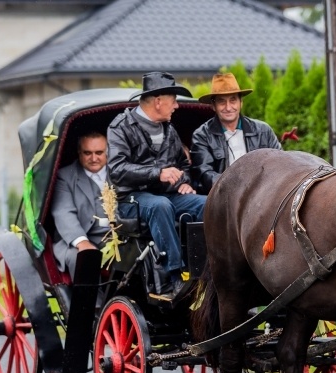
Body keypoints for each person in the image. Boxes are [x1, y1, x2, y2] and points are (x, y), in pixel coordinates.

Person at [107, 71, 206, 300]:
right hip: (130, 201)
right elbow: (117, 170)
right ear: (158, 102)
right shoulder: (120, 127)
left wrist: (184, 182)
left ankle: (209, 270)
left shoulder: (169, 130)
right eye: (174, 101)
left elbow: (184, 166)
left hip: (167, 198)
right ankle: (173, 277)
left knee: (207, 204)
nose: (177, 107)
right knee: (160, 205)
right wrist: (157, 173)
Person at [190, 72, 281, 194]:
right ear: (213, 106)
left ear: (240, 103)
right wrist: (234, 186)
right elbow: (204, 174)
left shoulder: (263, 131)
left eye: (233, 100)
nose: (228, 107)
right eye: (222, 102)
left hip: (261, 194)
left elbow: (279, 164)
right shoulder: (202, 135)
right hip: (222, 197)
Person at [51, 131, 110, 280]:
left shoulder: (120, 172)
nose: (94, 158)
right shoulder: (64, 176)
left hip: (116, 239)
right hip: (77, 240)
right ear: (79, 153)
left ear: (108, 152)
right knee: (84, 258)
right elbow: (63, 212)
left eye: (99, 152)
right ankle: (92, 304)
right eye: (87, 153)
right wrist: (82, 242)